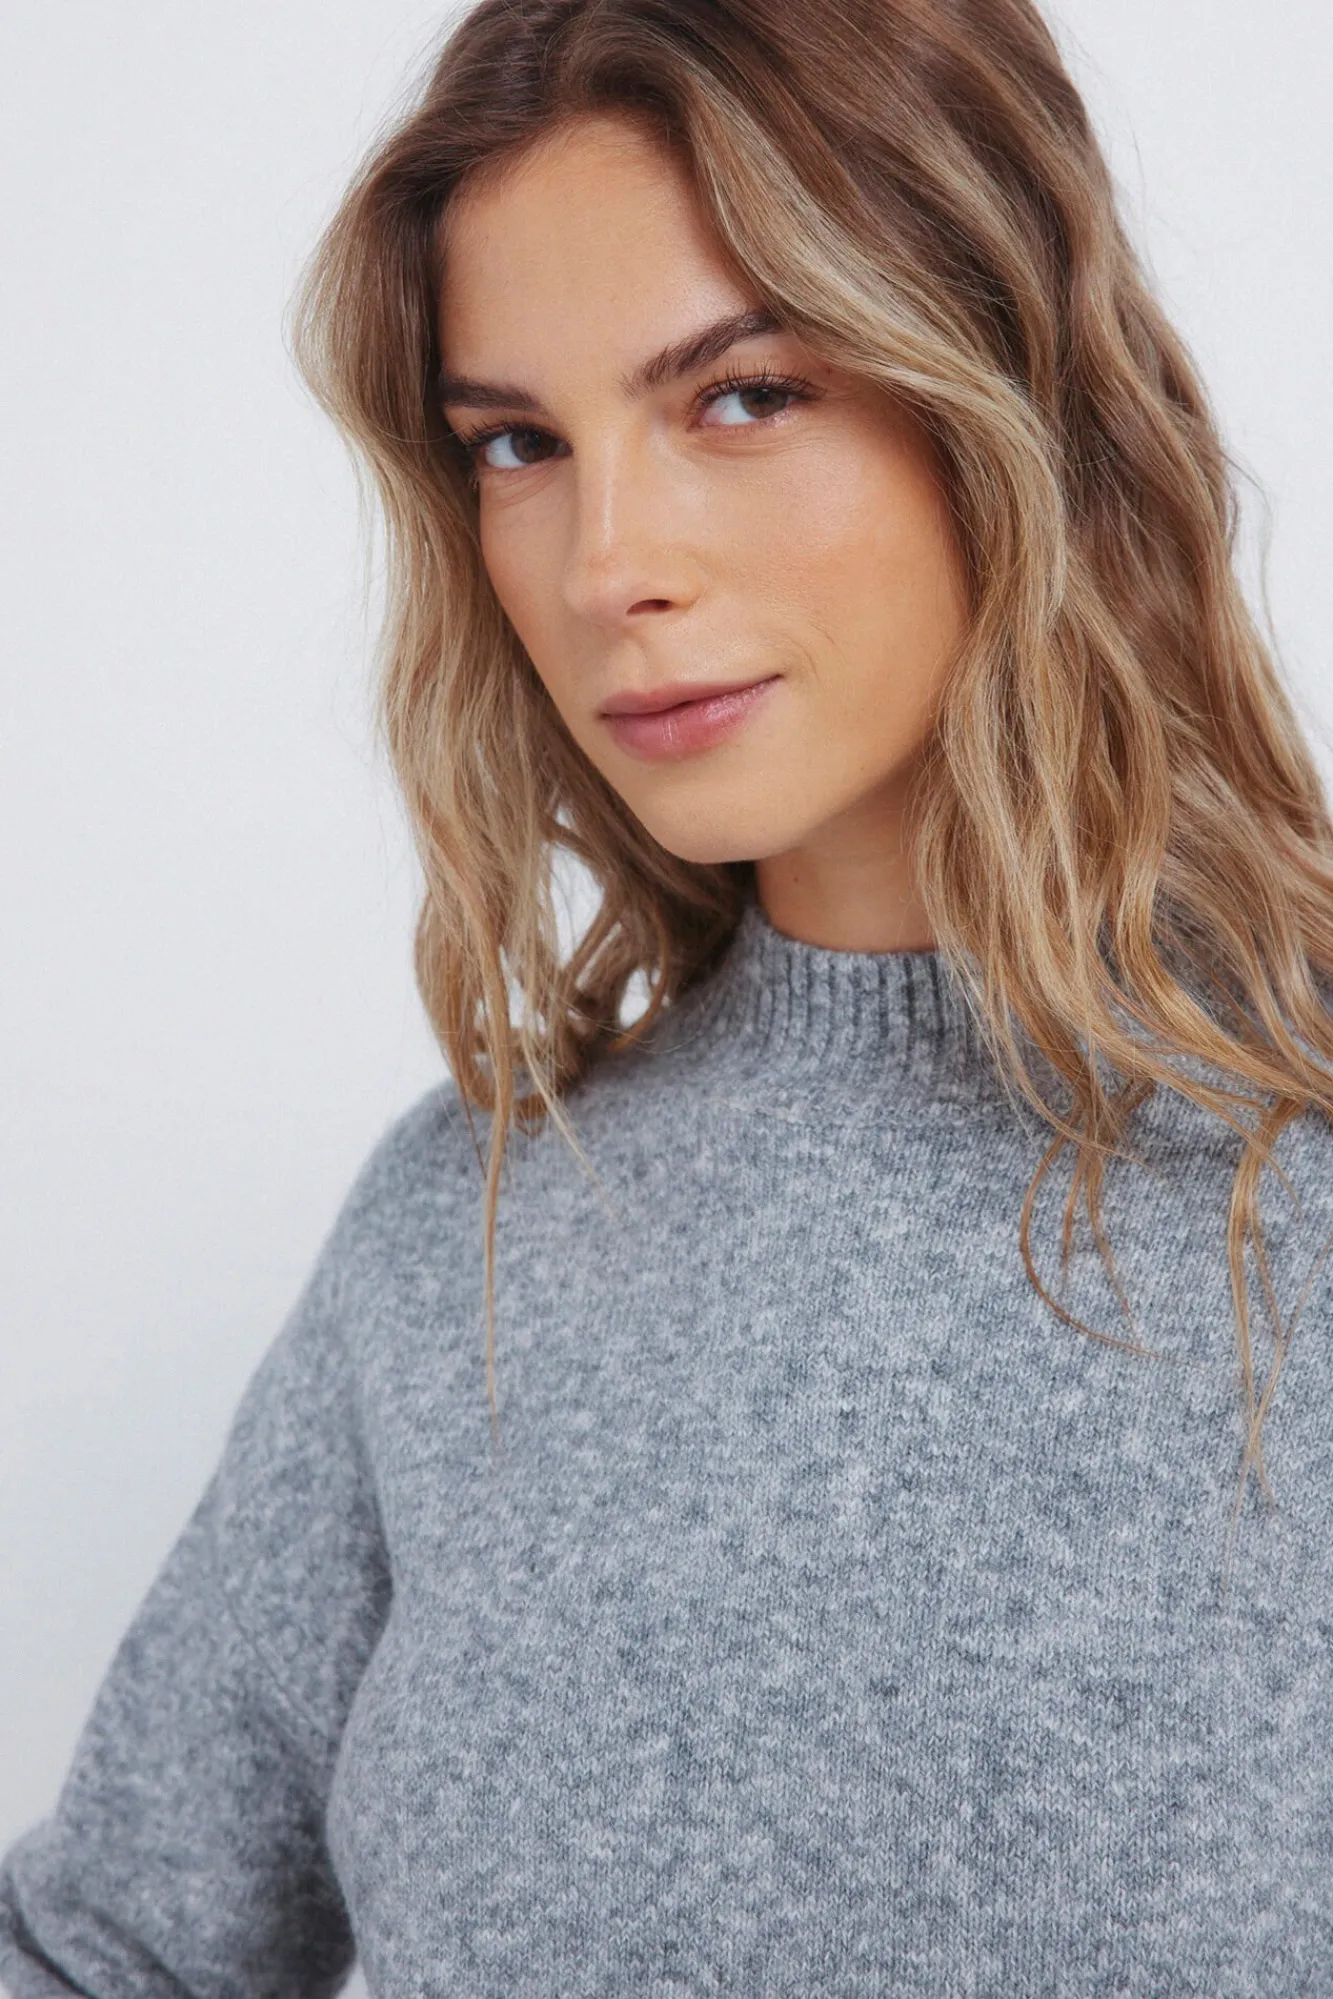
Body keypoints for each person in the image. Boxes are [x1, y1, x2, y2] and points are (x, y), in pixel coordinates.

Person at [4, 0, 1333, 1989]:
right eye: (518, 444)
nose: (602, 561)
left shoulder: (1293, 1184)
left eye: (743, 395)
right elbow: (107, 1948)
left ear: (1008, 395)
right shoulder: (463, 1235)